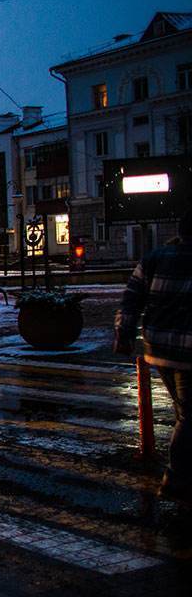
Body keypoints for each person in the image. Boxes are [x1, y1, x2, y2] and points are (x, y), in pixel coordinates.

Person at [114, 209, 192, 502]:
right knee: (189, 415)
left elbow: (130, 299)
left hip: (157, 349)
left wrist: (124, 336)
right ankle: (176, 480)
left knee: (183, 411)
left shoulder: (155, 258)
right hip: (187, 352)